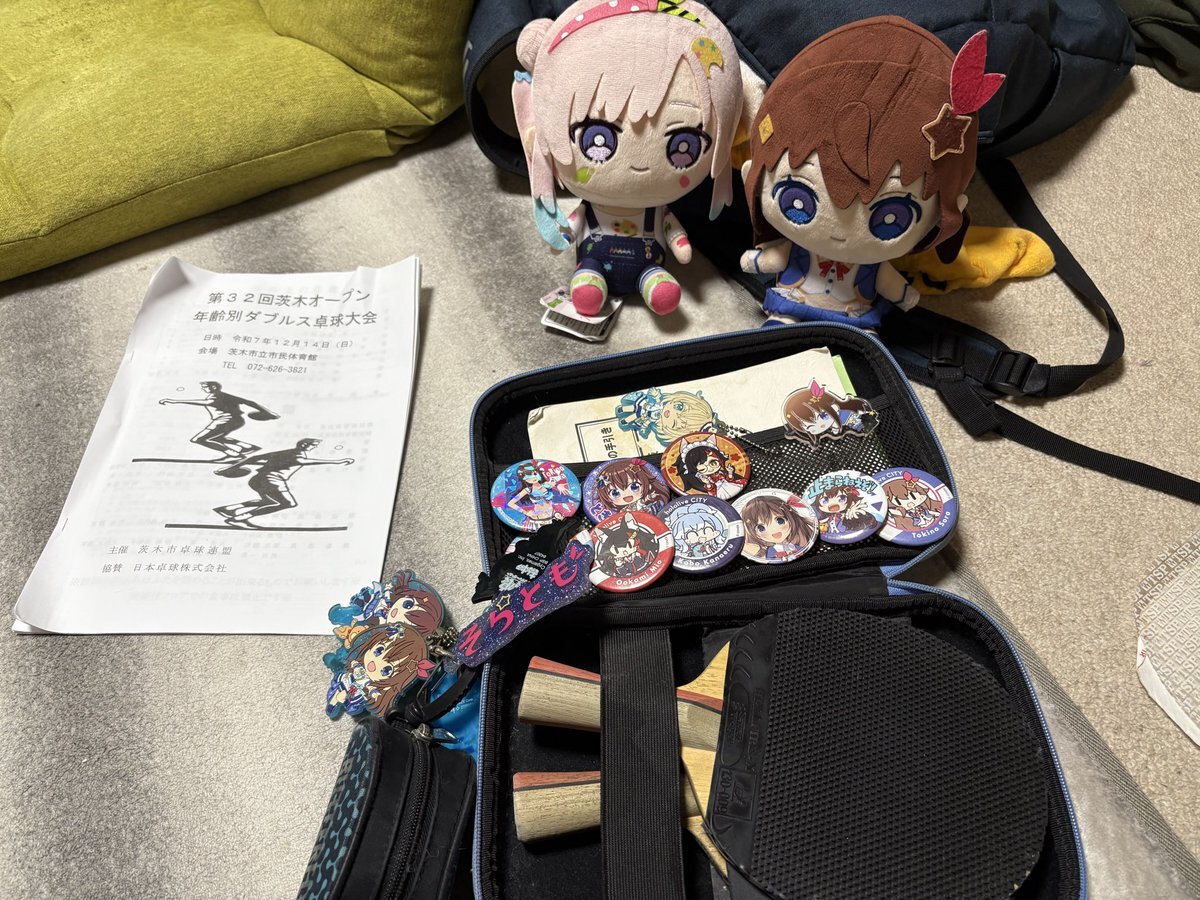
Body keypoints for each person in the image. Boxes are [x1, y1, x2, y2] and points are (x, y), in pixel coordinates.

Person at [213, 438, 353, 526]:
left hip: (257, 480)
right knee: (288, 503)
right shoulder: (297, 455)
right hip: (272, 480)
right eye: (313, 445)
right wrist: (337, 461)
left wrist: (229, 468)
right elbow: (304, 461)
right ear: (305, 445)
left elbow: (253, 458)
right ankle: (239, 518)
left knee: (269, 501)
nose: (315, 447)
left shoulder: (285, 452)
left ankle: (229, 509)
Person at [158, 381, 278, 461]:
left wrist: (175, 401)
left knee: (198, 439)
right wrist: (268, 413)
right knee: (217, 438)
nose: (203, 389)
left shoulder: (216, 397)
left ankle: (234, 454)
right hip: (236, 420)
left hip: (225, 420)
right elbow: (250, 402)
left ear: (213, 387)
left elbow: (206, 402)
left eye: (205, 387)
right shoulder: (226, 395)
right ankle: (247, 447)